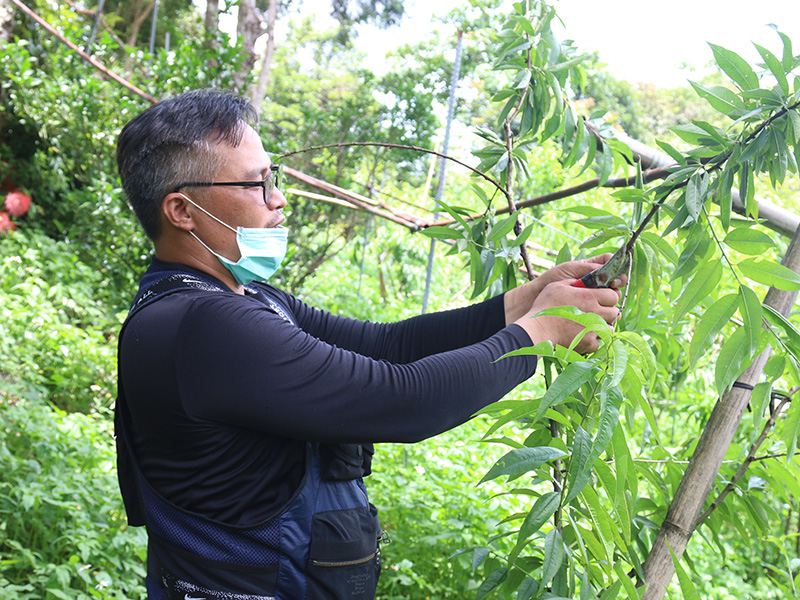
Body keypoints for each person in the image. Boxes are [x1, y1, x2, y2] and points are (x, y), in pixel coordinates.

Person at [114, 89, 623, 600]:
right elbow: (402, 399)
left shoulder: (239, 300)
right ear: (182, 210)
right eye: (257, 183)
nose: (279, 198)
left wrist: (526, 301)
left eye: (275, 178)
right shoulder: (204, 326)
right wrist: (540, 333)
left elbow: (388, 345)